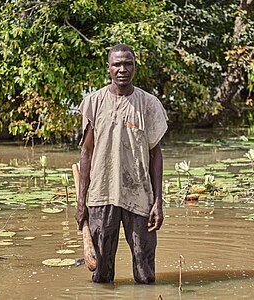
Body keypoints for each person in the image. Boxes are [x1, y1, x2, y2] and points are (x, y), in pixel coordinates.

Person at [75, 44, 168, 284]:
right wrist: (81, 202)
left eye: (128, 64)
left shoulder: (149, 104)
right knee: (101, 274)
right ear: (108, 68)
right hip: (101, 195)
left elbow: (155, 155)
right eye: (117, 64)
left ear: (135, 67)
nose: (122, 69)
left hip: (139, 196)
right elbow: (86, 153)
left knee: (145, 273)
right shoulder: (93, 103)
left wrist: (158, 201)